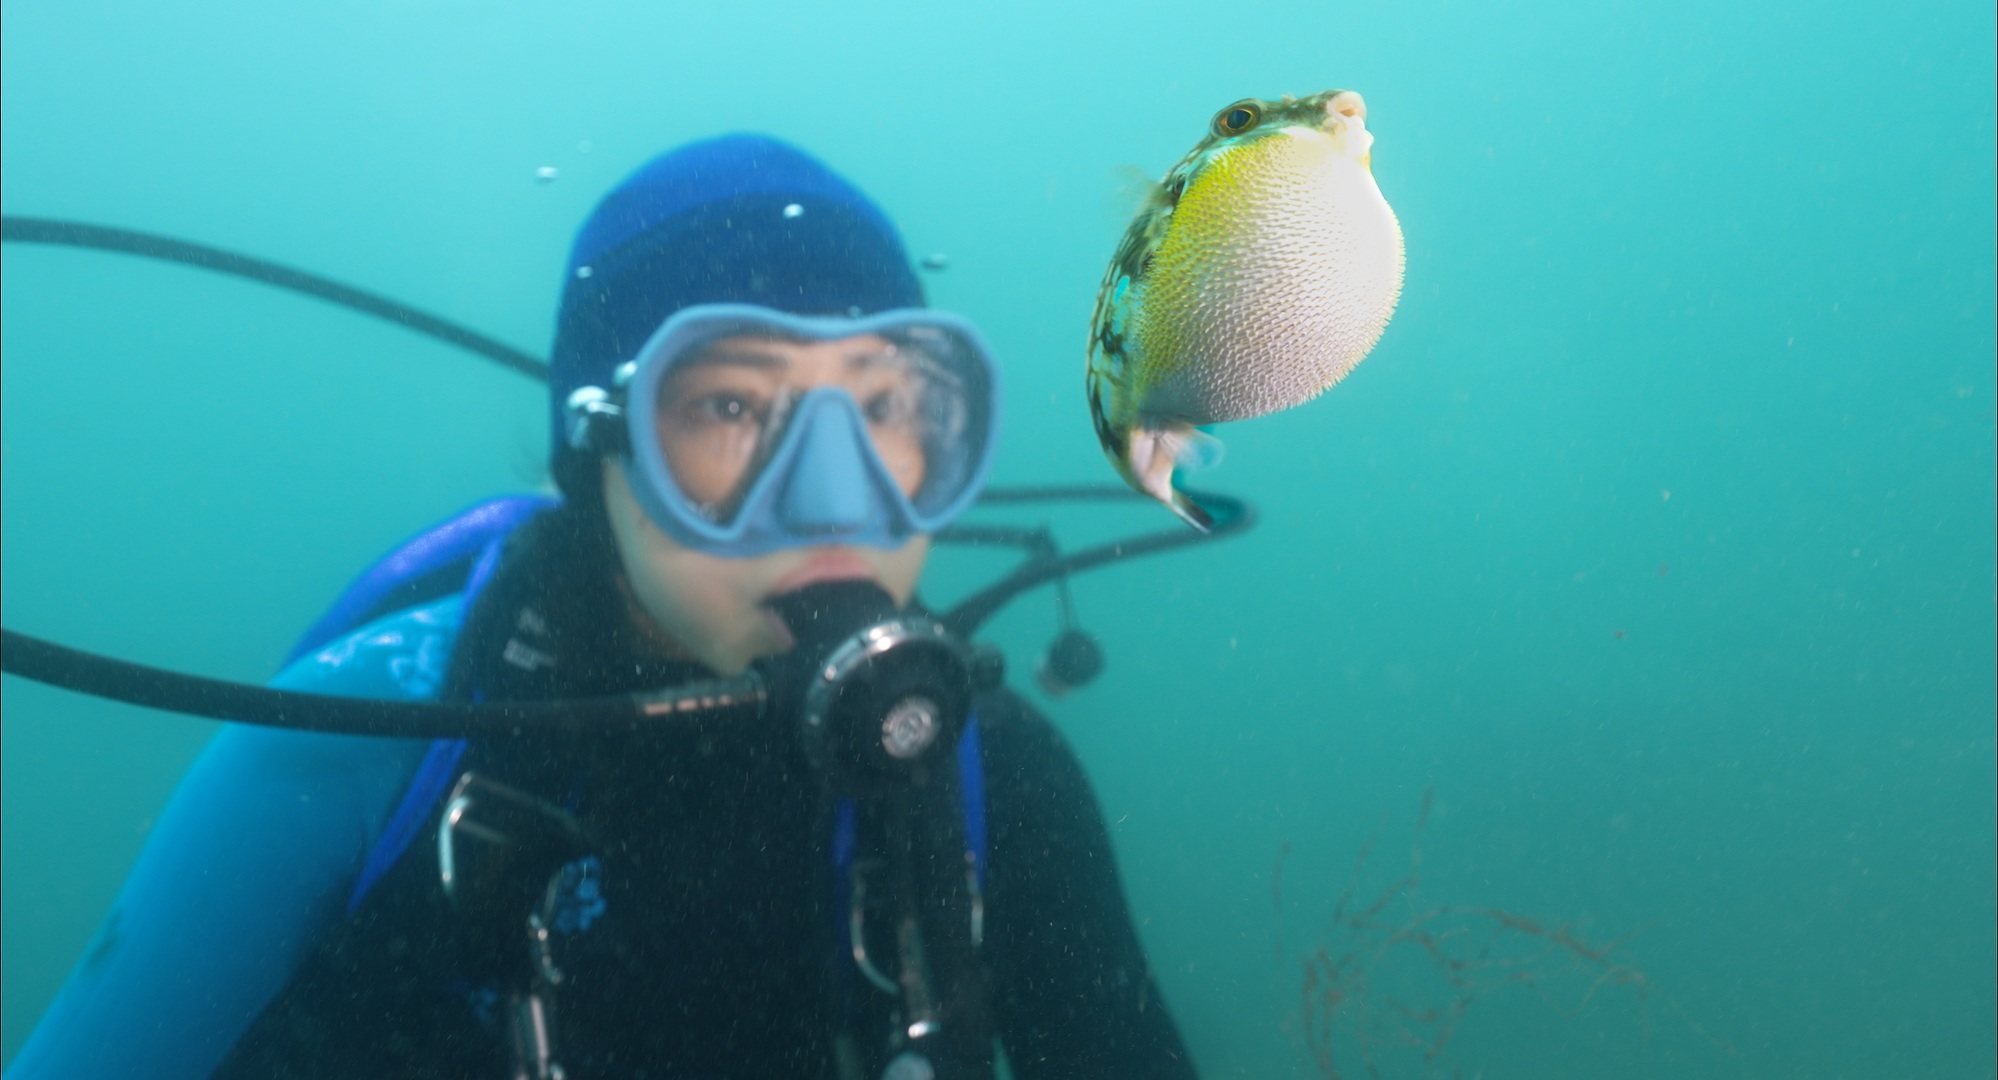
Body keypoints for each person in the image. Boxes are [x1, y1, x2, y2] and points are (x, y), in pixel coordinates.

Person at [4, 134, 1197, 1079]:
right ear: (599, 455)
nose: (837, 505)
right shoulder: (360, 744)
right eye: (731, 410)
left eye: (888, 409)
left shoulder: (995, 780)